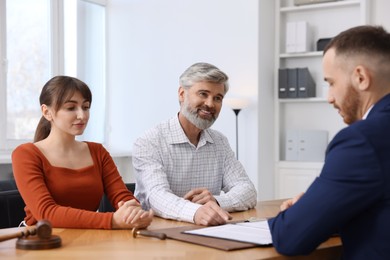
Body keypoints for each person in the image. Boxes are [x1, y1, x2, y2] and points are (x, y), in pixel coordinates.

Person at [268, 25, 390, 259]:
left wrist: (302, 212)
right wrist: (325, 205)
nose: (329, 97)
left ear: (361, 78)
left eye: (331, 82)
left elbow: (290, 237)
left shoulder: (361, 141)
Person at [12, 76, 153, 229]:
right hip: (41, 242)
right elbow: (46, 213)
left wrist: (133, 212)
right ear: (47, 112)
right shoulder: (26, 154)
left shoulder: (97, 152)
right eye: (71, 108)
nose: (82, 115)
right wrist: (111, 220)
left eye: (85, 107)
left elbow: (122, 197)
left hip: (87, 238)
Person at [132, 62, 257, 226]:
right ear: (182, 94)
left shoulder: (219, 142)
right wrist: (196, 212)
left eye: (217, 98)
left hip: (208, 231)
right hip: (158, 235)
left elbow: (247, 190)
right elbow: (156, 196)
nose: (210, 104)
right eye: (203, 94)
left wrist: (217, 202)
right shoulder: (149, 142)